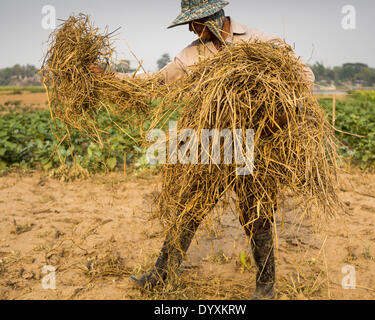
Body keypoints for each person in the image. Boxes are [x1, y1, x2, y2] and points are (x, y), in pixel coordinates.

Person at [91, 0, 315, 300]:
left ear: (212, 18)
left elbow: (304, 76)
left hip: (257, 144)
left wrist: (281, 112)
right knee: (190, 204)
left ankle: (266, 288)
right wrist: (106, 78)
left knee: (256, 213)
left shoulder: (261, 41)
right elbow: (155, 84)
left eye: (194, 21)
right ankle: (161, 274)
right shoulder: (192, 54)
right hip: (215, 144)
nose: (190, 28)